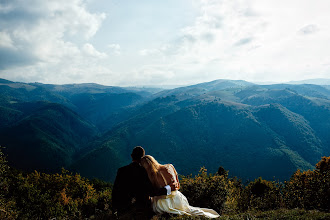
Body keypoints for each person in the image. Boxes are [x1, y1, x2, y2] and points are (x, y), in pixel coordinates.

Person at [140, 155, 220, 219]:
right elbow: (177, 184)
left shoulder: (151, 176)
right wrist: (171, 187)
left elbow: (154, 192)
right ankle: (209, 215)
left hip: (162, 202)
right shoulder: (168, 167)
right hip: (177, 197)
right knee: (188, 210)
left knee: (184, 212)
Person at [112, 146, 178, 219]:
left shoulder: (121, 170)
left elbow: (115, 191)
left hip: (122, 208)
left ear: (131, 156)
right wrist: (169, 188)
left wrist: (114, 209)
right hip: (141, 209)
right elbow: (152, 192)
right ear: (142, 157)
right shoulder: (145, 172)